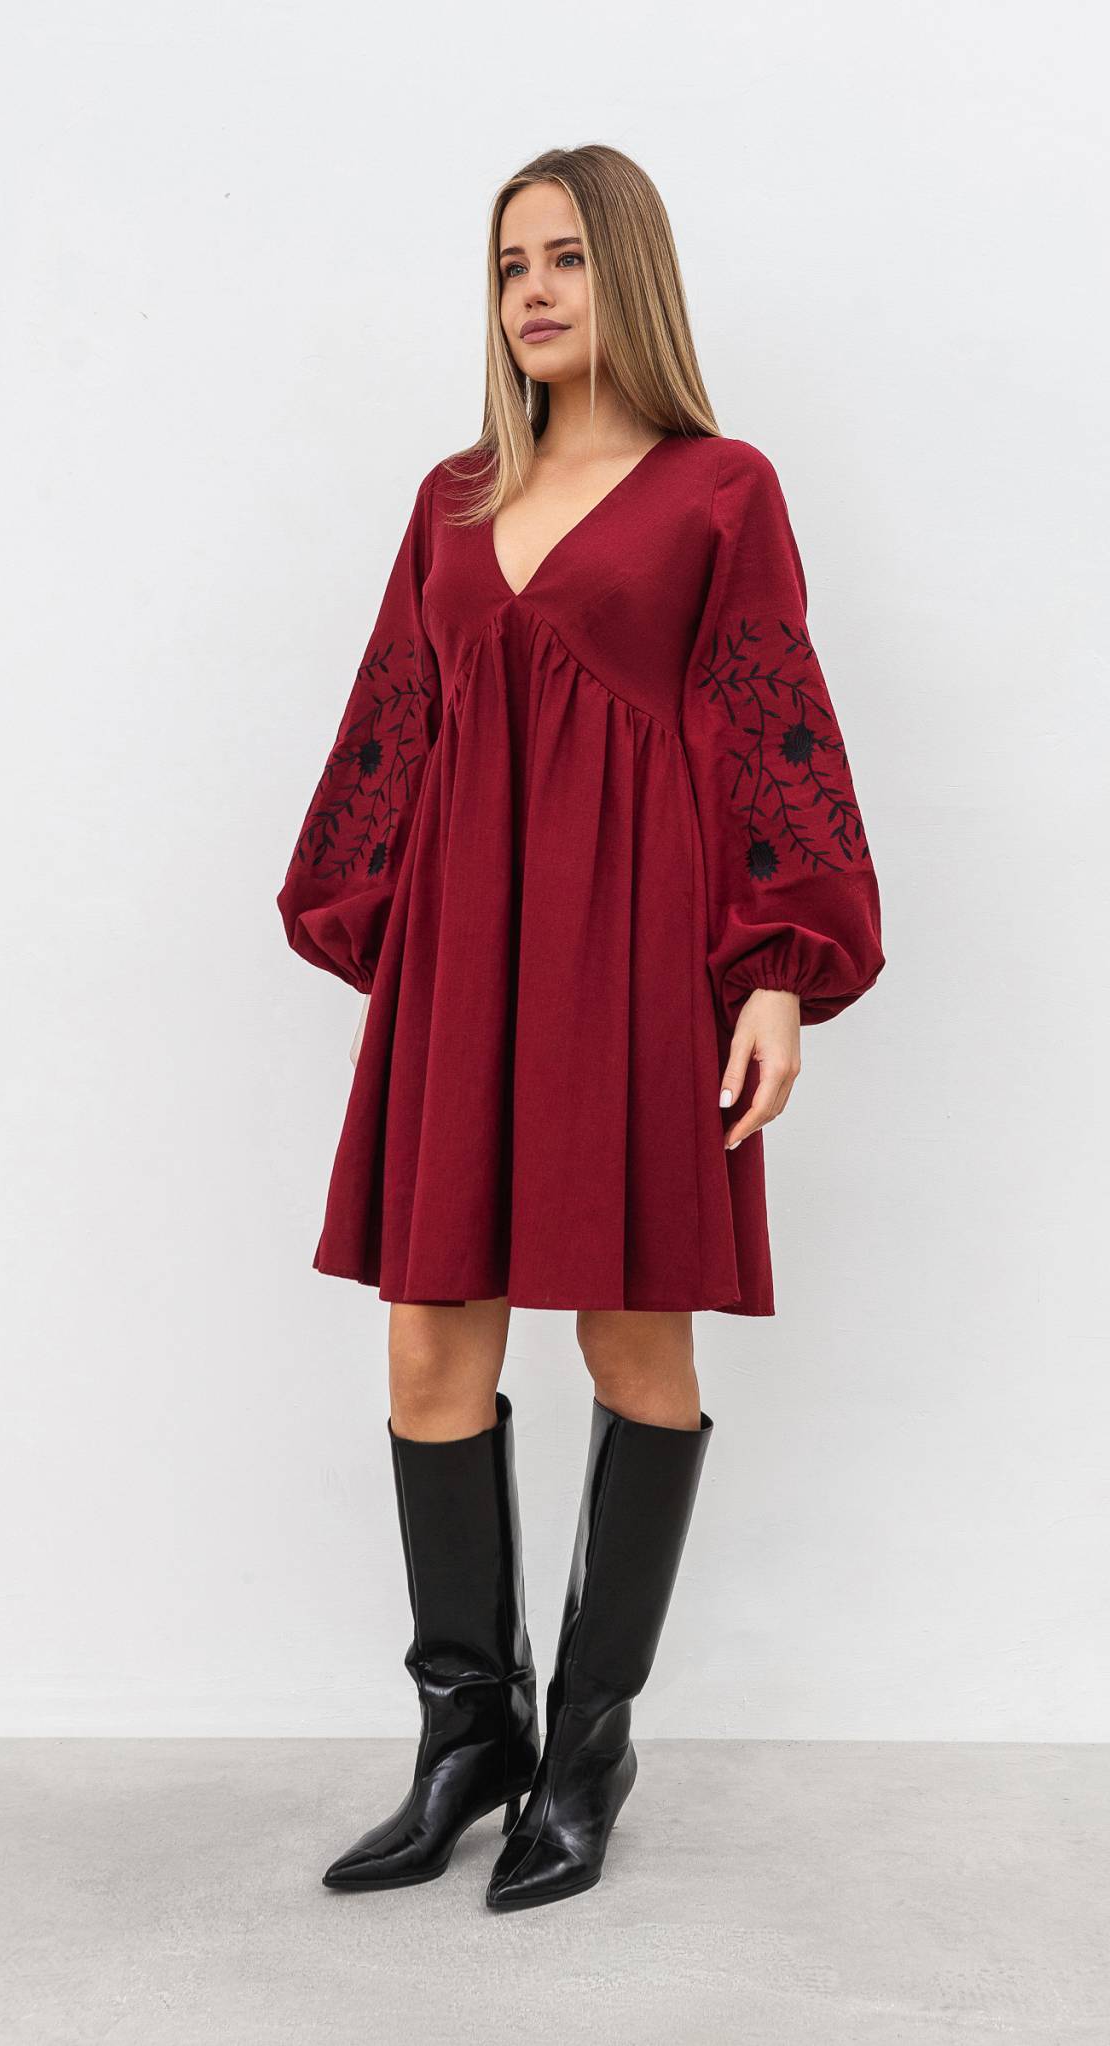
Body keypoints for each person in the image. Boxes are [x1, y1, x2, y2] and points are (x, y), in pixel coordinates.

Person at [275, 144, 886, 1912]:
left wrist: (775, 972)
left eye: (564, 258)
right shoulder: (454, 497)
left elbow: (772, 714)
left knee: (634, 1342)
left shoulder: (721, 490)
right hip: (469, 952)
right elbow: (396, 714)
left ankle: (590, 1746)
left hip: (637, 958)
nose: (531, 292)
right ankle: (467, 1733)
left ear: (631, 275)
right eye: (507, 265)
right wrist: (390, 928)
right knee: (426, 1348)